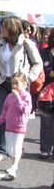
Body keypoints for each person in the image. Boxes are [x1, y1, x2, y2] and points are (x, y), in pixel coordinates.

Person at [0, 16, 42, 163]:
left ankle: (17, 146)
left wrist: (28, 79)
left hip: (18, 85)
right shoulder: (1, 43)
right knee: (2, 115)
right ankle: (1, 150)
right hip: (2, 83)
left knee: (18, 117)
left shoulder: (26, 43)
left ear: (11, 28)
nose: (2, 29)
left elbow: (38, 63)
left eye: (5, 27)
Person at [0, 72, 31, 180]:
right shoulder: (9, 96)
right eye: (12, 83)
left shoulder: (26, 96)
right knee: (10, 150)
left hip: (20, 127)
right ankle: (14, 161)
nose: (14, 86)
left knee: (17, 147)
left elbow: (24, 110)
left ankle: (14, 168)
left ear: (24, 84)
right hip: (9, 127)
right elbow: (4, 111)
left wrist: (18, 98)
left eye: (17, 83)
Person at [39, 31, 54, 159]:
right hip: (46, 93)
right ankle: (45, 149)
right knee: (46, 122)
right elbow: (46, 71)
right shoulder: (44, 52)